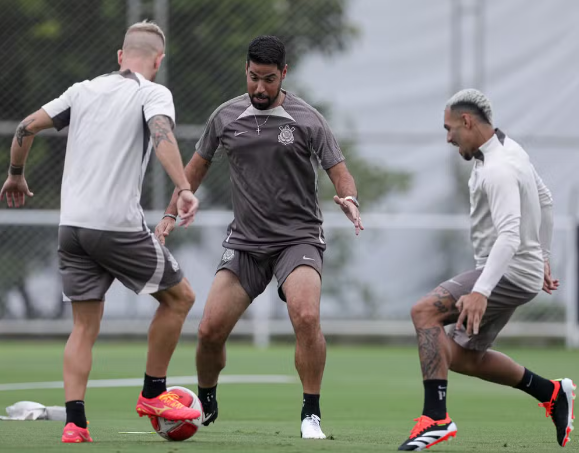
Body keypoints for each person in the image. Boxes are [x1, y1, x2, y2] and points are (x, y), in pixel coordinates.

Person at [0, 21, 203, 443]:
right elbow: (162, 133)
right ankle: (153, 393)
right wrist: (183, 187)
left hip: (71, 228)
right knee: (180, 298)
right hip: (115, 227)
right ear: (158, 62)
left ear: (119, 57)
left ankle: (75, 424)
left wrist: (16, 175)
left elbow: (25, 127)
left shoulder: (81, 91)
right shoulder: (152, 92)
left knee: (83, 327)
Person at [155, 35, 362, 439]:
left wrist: (349, 197)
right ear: (245, 71)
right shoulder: (225, 117)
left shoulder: (308, 119)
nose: (260, 88)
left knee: (305, 316)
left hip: (297, 239)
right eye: (253, 78)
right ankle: (207, 397)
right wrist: (169, 212)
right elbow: (195, 169)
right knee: (209, 331)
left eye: (269, 79)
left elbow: (339, 168)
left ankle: (311, 413)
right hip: (245, 243)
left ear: (284, 74)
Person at [398, 88, 575, 451]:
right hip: (516, 271)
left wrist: (481, 290)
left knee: (424, 313)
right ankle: (552, 393)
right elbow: (545, 199)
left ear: (467, 121)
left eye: (450, 129)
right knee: (464, 357)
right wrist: (540, 256)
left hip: (506, 272)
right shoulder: (509, 150)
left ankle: (435, 419)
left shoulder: (498, 169)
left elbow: (509, 235)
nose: (447, 138)